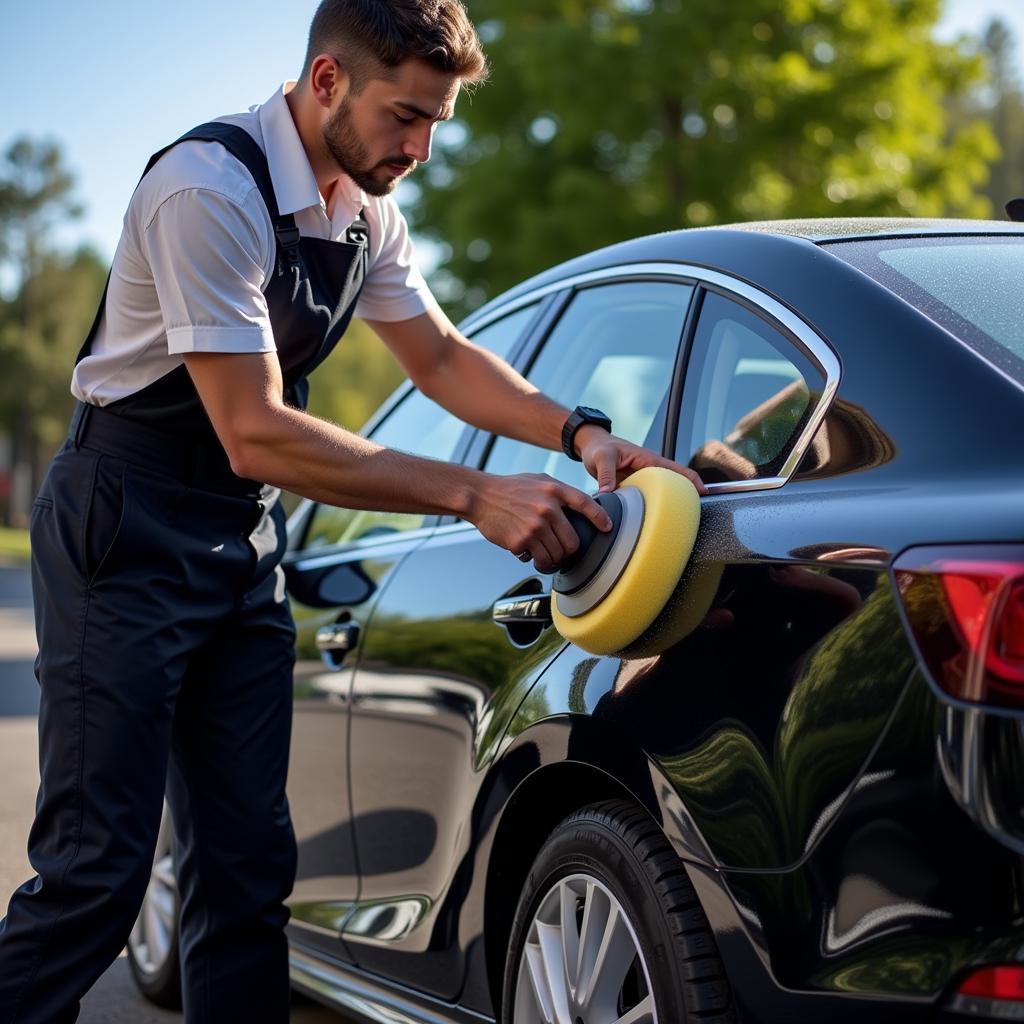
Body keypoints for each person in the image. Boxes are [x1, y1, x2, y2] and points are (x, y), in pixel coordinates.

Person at [0, 2, 705, 1021]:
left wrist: (582, 433)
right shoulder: (206, 188)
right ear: (327, 81)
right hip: (125, 521)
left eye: (435, 125)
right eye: (405, 117)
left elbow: (443, 358)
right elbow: (256, 429)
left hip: (238, 539)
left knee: (246, 869)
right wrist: (470, 491)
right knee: (94, 874)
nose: (417, 149)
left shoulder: (366, 211)